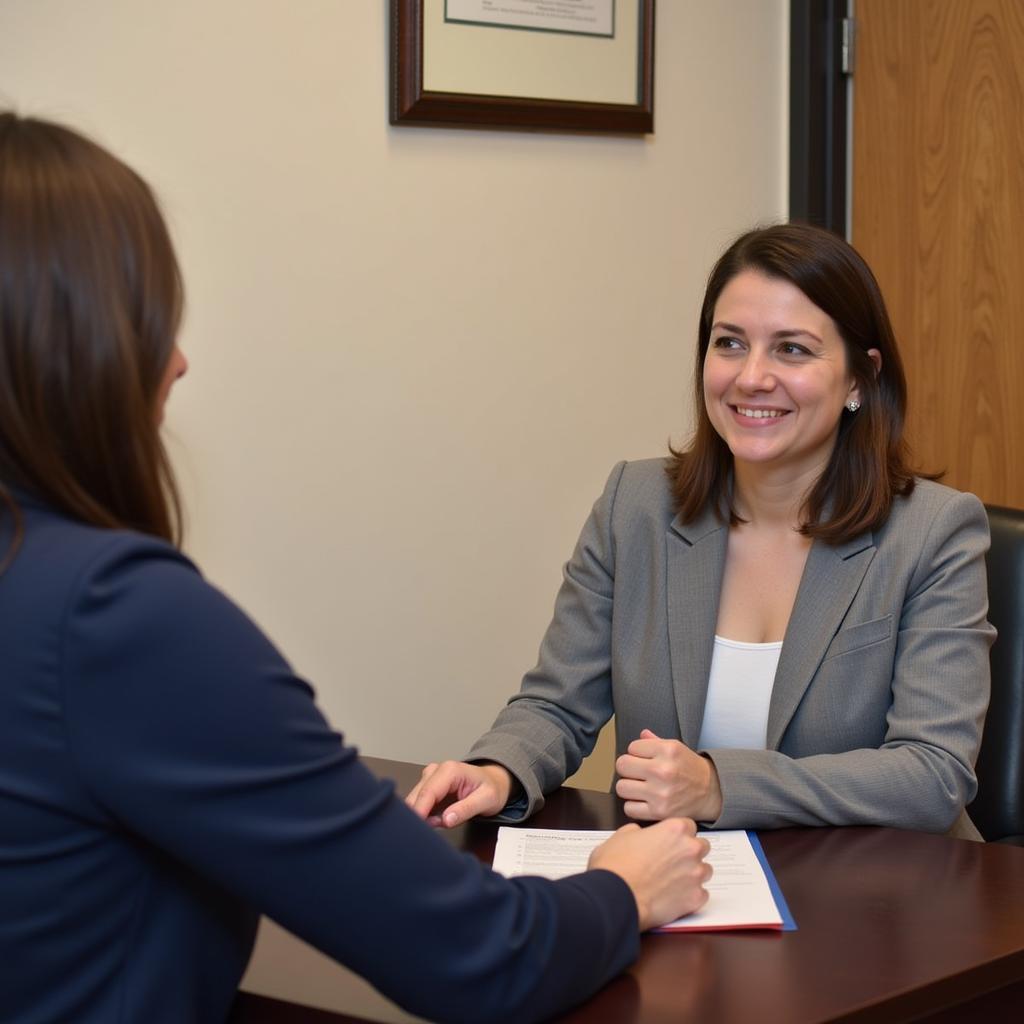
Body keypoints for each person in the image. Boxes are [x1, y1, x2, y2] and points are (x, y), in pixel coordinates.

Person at [0, 112, 713, 1024]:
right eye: (148, 319)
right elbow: (478, 957)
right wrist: (620, 887)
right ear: (78, 346)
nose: (176, 362)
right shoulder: (115, 616)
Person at [408, 222, 995, 841]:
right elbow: (557, 704)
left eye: (792, 349)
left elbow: (934, 773)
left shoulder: (934, 532)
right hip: (680, 884)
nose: (751, 378)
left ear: (859, 377)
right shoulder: (634, 506)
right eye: (730, 343)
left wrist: (720, 786)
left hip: (882, 901)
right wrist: (501, 768)